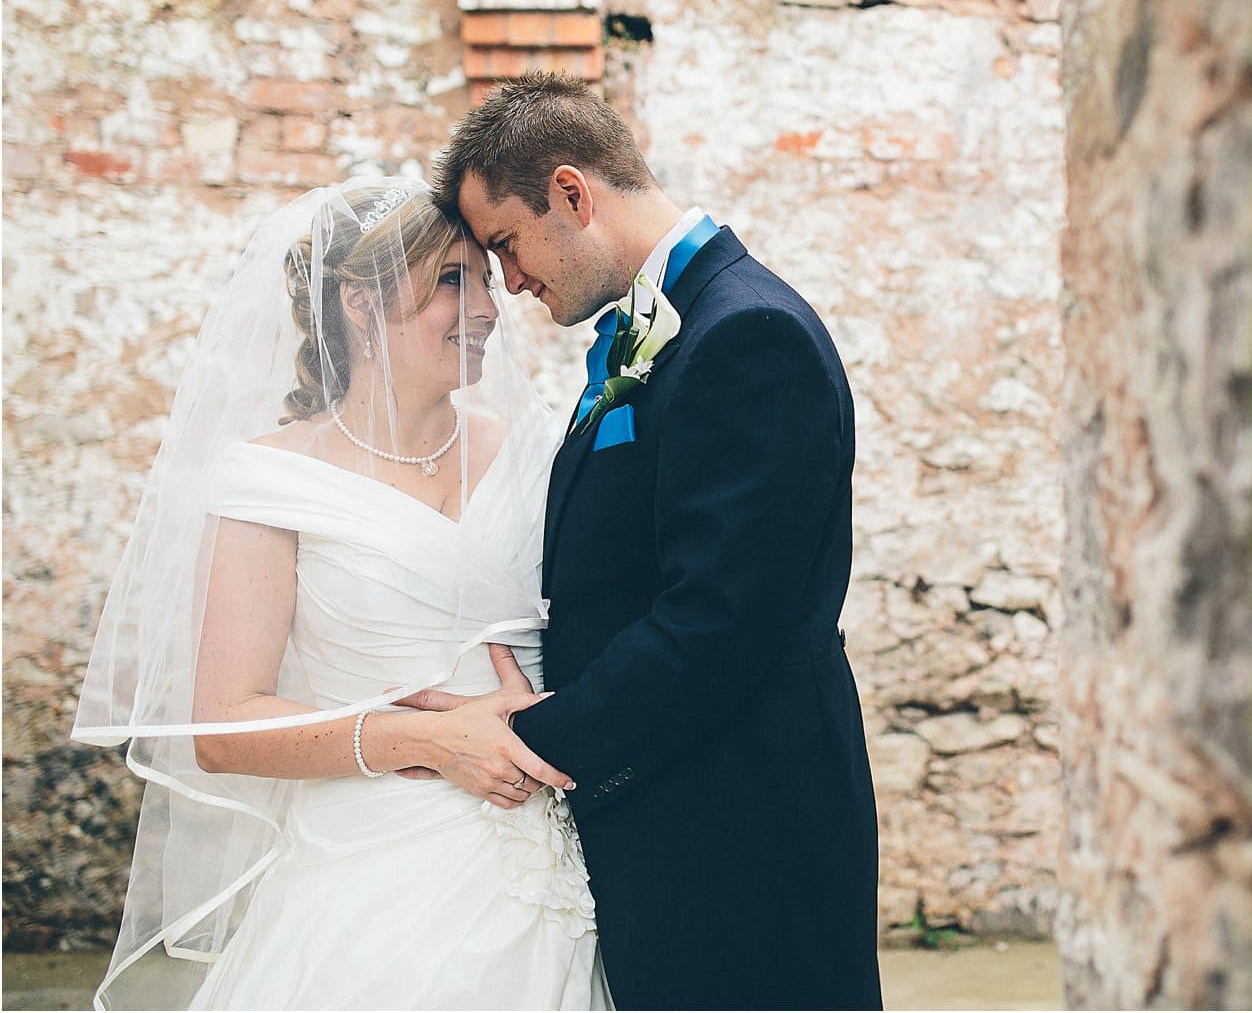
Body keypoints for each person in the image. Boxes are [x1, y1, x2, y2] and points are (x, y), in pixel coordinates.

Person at [72, 177, 608, 1010]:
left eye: (487, 280)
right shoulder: (271, 480)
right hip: (374, 884)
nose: (489, 311)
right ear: (360, 303)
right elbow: (223, 725)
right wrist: (424, 740)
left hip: (556, 868)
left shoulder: (536, 447)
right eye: (450, 283)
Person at [419, 70, 882, 1010]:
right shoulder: (670, 330)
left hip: (745, 835)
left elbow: (722, 619)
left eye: (506, 244)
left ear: (572, 194)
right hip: (676, 811)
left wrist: (528, 738)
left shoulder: (748, 334)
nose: (508, 281)